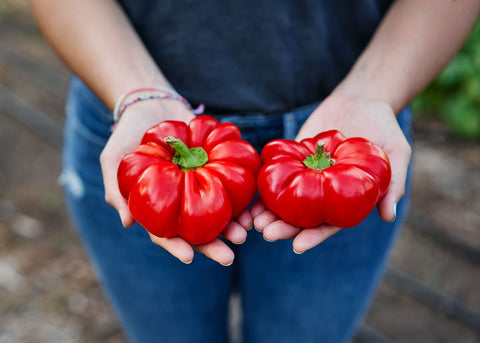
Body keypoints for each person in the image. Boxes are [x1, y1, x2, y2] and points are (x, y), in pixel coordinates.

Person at [30, 0, 480, 342]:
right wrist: (136, 94)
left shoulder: (357, 157)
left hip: (356, 135)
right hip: (136, 128)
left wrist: (375, 93)